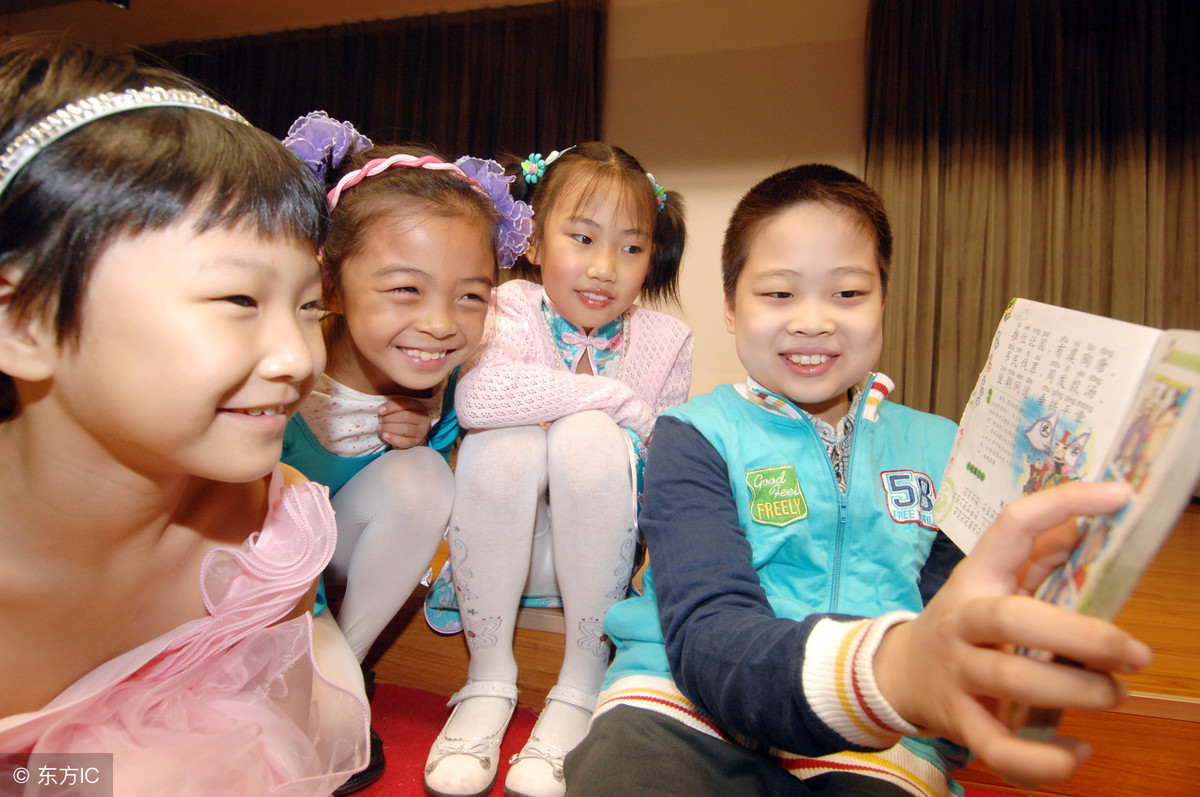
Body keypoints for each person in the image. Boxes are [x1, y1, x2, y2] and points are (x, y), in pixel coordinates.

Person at [563, 164, 1152, 796]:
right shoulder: (694, 433)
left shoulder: (945, 447)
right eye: (779, 294)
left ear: (883, 301)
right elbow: (707, 631)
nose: (813, 321)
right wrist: (887, 669)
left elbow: (952, 612)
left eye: (847, 293)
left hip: (880, 739)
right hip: (683, 706)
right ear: (731, 308)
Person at [0, 35, 369, 795]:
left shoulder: (270, 532)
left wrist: (73, 781)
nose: (299, 358)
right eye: (239, 298)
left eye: (308, 307)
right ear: (22, 322)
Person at [423, 143, 693, 797]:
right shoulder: (510, 305)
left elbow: (668, 473)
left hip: (602, 571)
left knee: (588, 437)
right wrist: (617, 400)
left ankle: (578, 683)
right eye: (582, 237)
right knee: (505, 438)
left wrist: (602, 423)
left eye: (631, 248)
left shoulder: (666, 340)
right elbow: (479, 398)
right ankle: (487, 678)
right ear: (537, 242)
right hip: (498, 557)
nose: (605, 267)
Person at [279, 112, 532, 793]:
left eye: (471, 296)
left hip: (331, 574)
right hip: (242, 575)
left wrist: (429, 430)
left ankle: (333, 679)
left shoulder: (444, 392)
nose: (442, 322)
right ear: (329, 282)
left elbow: (422, 508)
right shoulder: (279, 367)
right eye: (405, 290)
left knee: (421, 478)